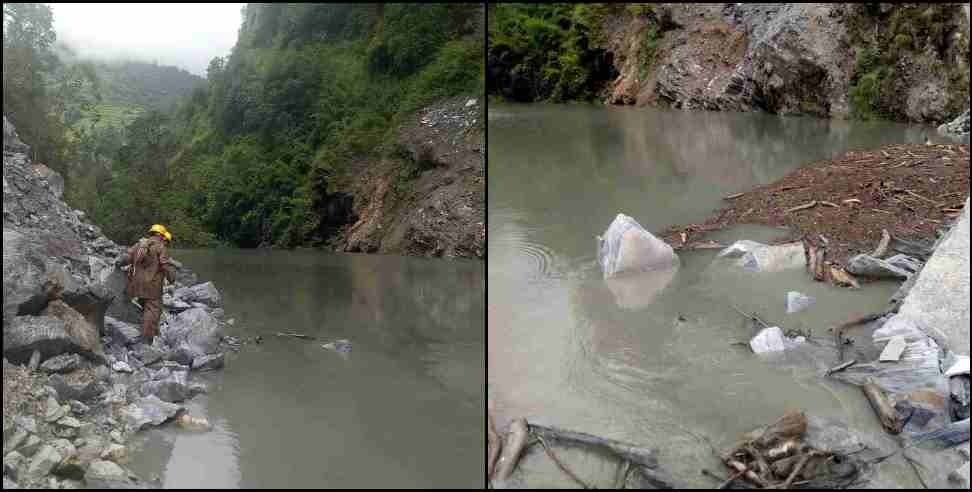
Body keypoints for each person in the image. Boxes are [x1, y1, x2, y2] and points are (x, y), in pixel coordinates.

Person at [126, 224, 176, 344]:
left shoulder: (140, 244)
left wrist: (117, 264)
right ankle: (146, 341)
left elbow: (127, 257)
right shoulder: (160, 247)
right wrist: (172, 278)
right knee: (153, 310)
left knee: (144, 304)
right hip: (152, 287)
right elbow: (165, 264)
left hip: (136, 285)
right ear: (161, 235)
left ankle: (147, 329)